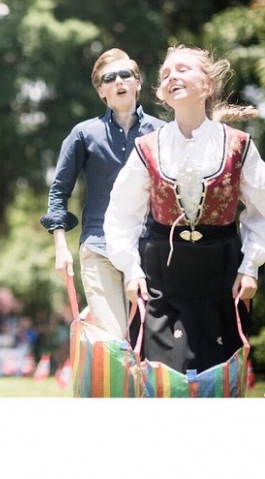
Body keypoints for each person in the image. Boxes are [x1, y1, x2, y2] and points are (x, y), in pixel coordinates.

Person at [104, 44, 263, 374]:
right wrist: (131, 270)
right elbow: (122, 214)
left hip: (222, 272)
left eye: (182, 69)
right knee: (162, 377)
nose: (171, 76)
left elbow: (261, 210)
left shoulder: (238, 145)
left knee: (219, 375)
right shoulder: (148, 147)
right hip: (162, 274)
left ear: (207, 84)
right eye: (165, 74)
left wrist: (250, 266)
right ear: (162, 94)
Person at [40, 48, 165, 340]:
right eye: (110, 78)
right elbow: (59, 192)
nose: (119, 82)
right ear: (101, 91)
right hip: (99, 246)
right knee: (115, 338)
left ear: (138, 83)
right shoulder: (83, 134)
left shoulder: (162, 133)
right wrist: (60, 247)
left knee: (150, 341)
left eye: (126, 75)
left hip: (150, 247)